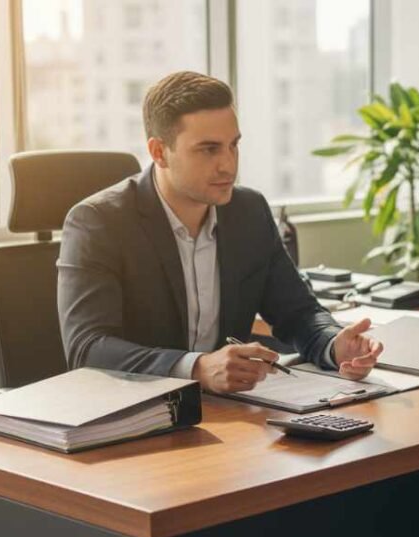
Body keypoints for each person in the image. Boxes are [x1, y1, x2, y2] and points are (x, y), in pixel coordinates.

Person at [57, 71, 381, 392]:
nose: (228, 165)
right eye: (209, 149)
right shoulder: (98, 223)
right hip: (134, 414)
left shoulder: (248, 212)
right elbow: (88, 348)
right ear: (159, 152)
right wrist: (197, 367)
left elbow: (297, 312)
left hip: (227, 411)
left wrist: (333, 343)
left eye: (233, 145)